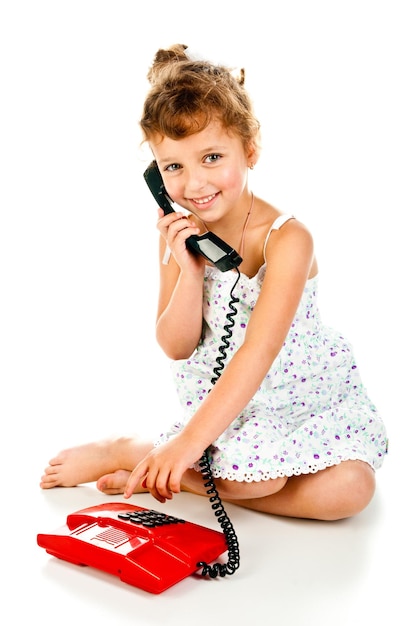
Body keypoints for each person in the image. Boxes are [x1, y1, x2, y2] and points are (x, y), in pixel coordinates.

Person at [40, 43, 388, 521]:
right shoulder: (180, 233)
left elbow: (257, 352)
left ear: (250, 150)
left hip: (295, 397)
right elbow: (176, 345)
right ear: (157, 177)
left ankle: (152, 463)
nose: (194, 184)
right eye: (174, 167)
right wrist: (189, 271)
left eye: (211, 158)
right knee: (263, 477)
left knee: (352, 490)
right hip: (223, 404)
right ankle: (135, 453)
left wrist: (186, 444)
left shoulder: (288, 240)